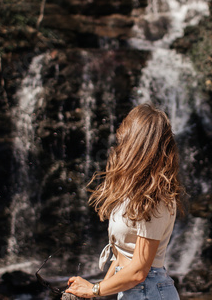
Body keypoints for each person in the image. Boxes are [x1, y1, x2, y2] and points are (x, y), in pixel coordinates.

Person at [65, 103, 184, 299]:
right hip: (135, 291)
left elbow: (139, 270)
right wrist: (95, 290)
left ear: (135, 143)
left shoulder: (155, 198)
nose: (119, 143)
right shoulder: (135, 192)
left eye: (124, 137)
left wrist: (94, 290)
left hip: (149, 292)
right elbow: (122, 256)